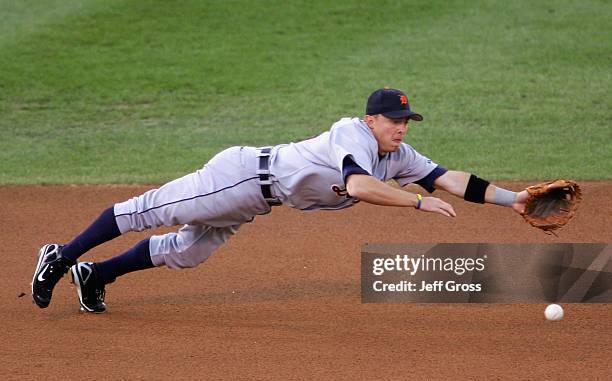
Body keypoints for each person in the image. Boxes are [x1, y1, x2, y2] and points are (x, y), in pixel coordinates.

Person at [31, 87, 529, 313]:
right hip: (245, 175)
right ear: (371, 120)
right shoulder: (351, 136)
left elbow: (450, 180)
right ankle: (62, 256)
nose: (401, 128)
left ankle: (97, 275)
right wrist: (415, 204)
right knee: (149, 209)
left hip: (257, 199)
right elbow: (357, 187)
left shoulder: (397, 153)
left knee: (188, 252)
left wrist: (514, 200)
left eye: (406, 122)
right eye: (394, 121)